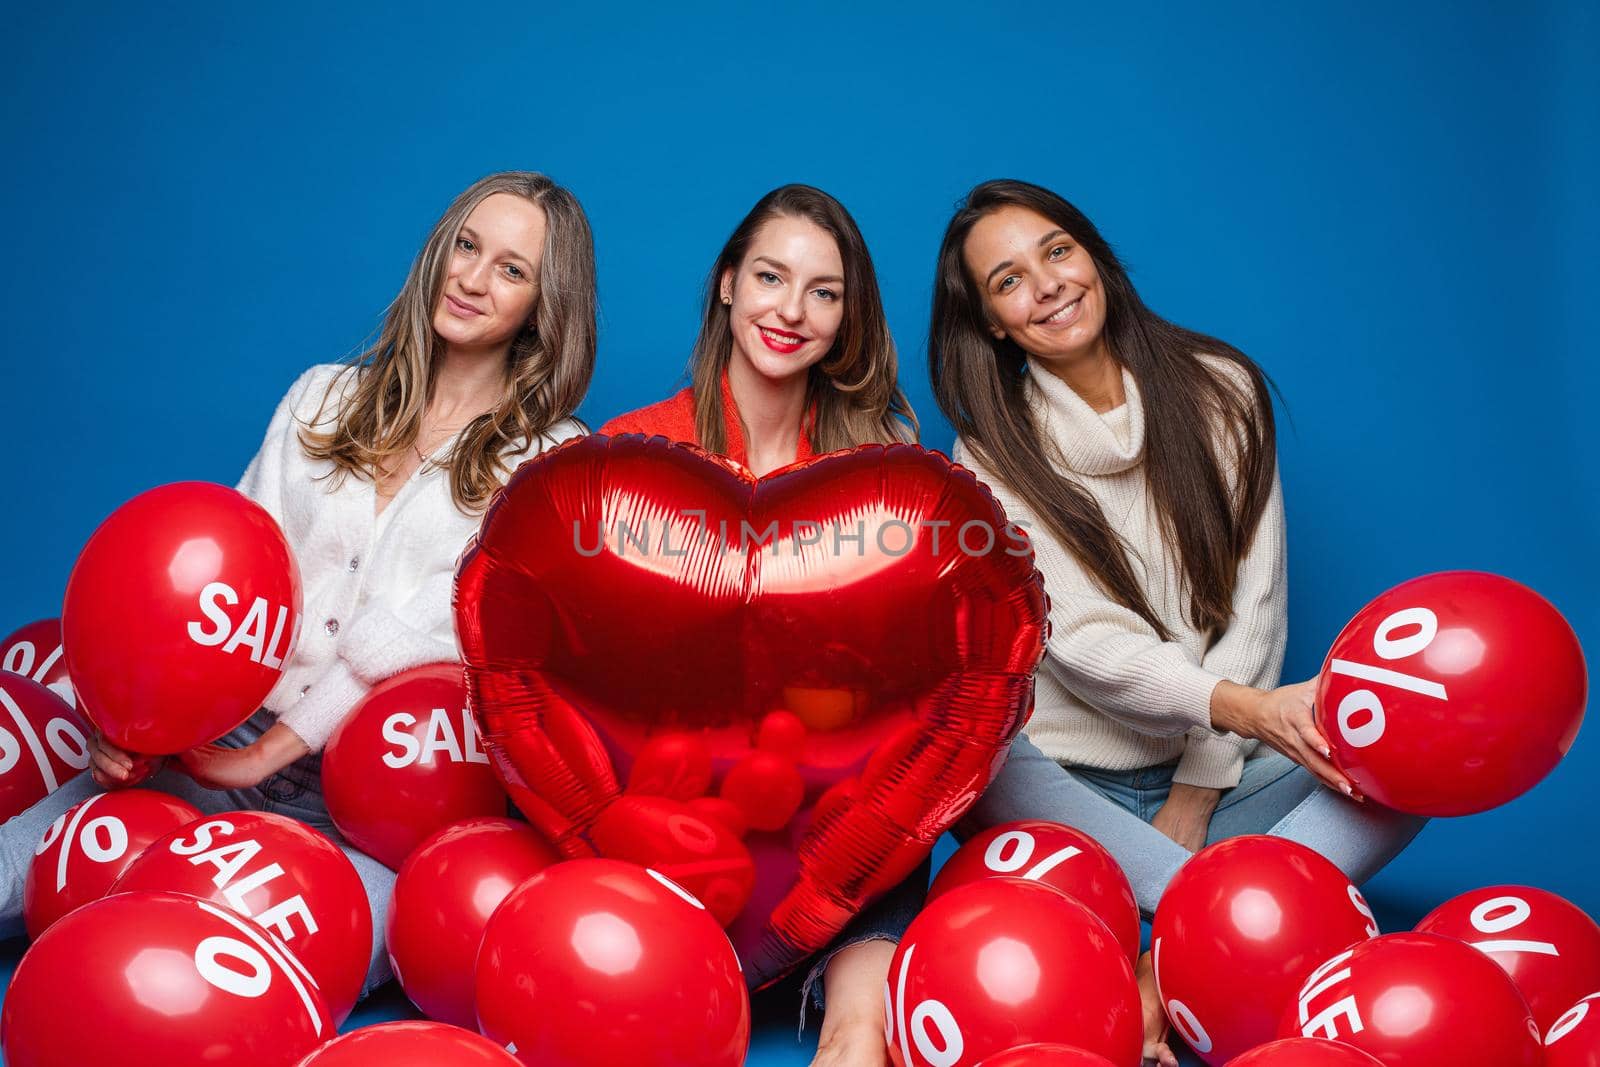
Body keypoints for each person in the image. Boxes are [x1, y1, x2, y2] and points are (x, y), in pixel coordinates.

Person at [0, 170, 597, 1000]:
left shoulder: (551, 462)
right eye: (466, 246)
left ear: (542, 306)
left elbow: (447, 633)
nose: (472, 278)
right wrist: (140, 724)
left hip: (385, 802)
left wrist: (286, 750)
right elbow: (226, 578)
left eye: (510, 268)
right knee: (18, 869)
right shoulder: (322, 397)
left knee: (239, 977)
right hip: (221, 741)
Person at [928, 179, 1426, 1066]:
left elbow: (1256, 608)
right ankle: (1228, 917)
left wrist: (1200, 789)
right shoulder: (988, 455)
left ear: (1094, 257)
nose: (1045, 285)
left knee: (1411, 756)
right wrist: (1238, 712)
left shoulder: (1222, 390)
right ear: (993, 325)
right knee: (971, 735)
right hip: (1067, 790)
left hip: (1222, 783)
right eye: (1007, 281)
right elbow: (1076, 643)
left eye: (1056, 250)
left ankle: (1157, 953)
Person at [599, 184, 920, 1067]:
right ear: (728, 285)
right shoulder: (634, 451)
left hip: (822, 806)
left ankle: (854, 1033)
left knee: (902, 788)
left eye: (824, 291)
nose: (792, 310)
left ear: (848, 318)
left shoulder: (882, 468)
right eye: (771, 277)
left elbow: (905, 679)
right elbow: (595, 672)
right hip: (675, 798)